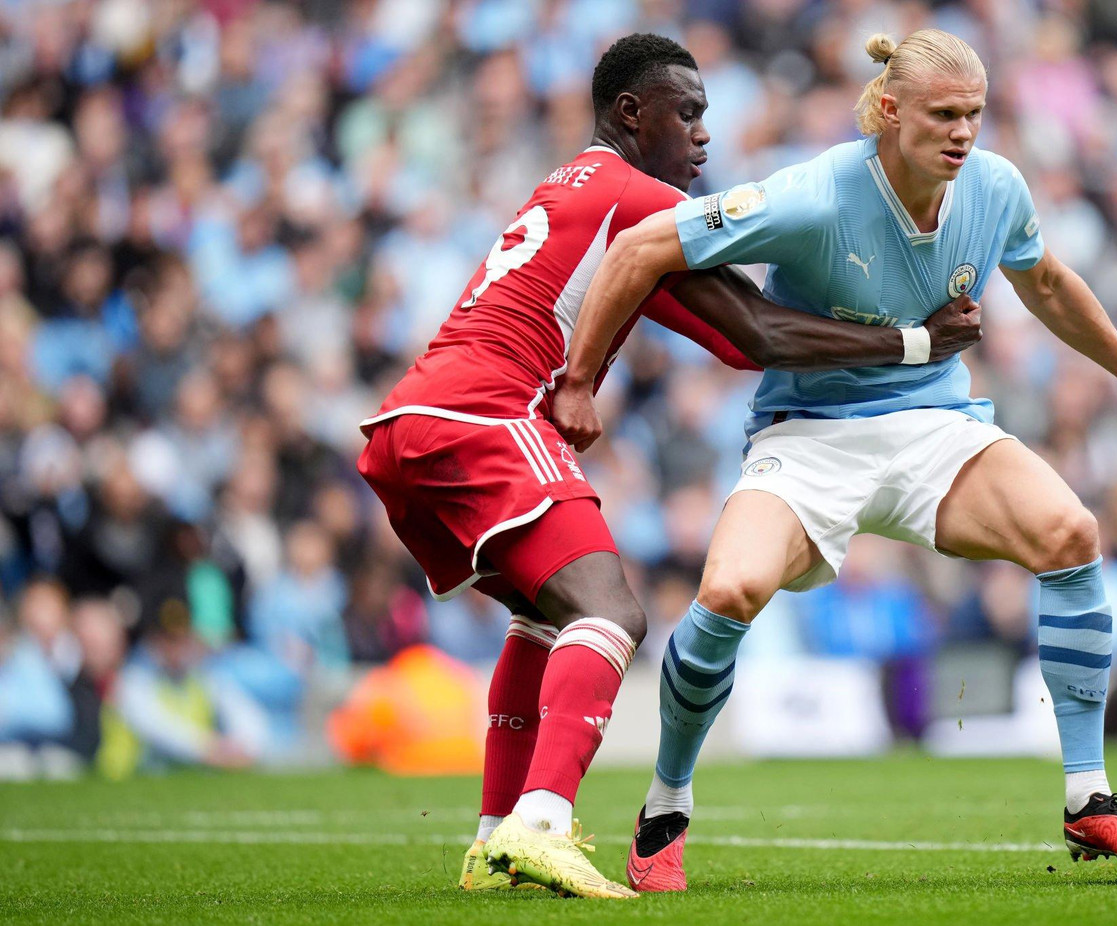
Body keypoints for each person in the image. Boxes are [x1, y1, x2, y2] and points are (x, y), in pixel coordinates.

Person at [553, 29, 1117, 892]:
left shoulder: (994, 189)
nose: (962, 133)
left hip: (934, 425)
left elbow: (1049, 283)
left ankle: (1089, 796)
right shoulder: (815, 193)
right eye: (943, 115)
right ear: (886, 110)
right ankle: (666, 804)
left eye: (974, 116)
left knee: (1071, 532)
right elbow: (639, 248)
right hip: (808, 435)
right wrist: (579, 381)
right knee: (726, 593)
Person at [356, 32, 981, 899]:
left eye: (705, 116)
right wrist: (915, 341)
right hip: (483, 413)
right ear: (629, 114)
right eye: (686, 114)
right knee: (614, 611)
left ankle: (495, 840)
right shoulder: (636, 196)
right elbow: (760, 330)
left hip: (412, 422)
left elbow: (735, 342)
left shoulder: (580, 186)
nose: (702, 135)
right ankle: (542, 822)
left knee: (549, 616)